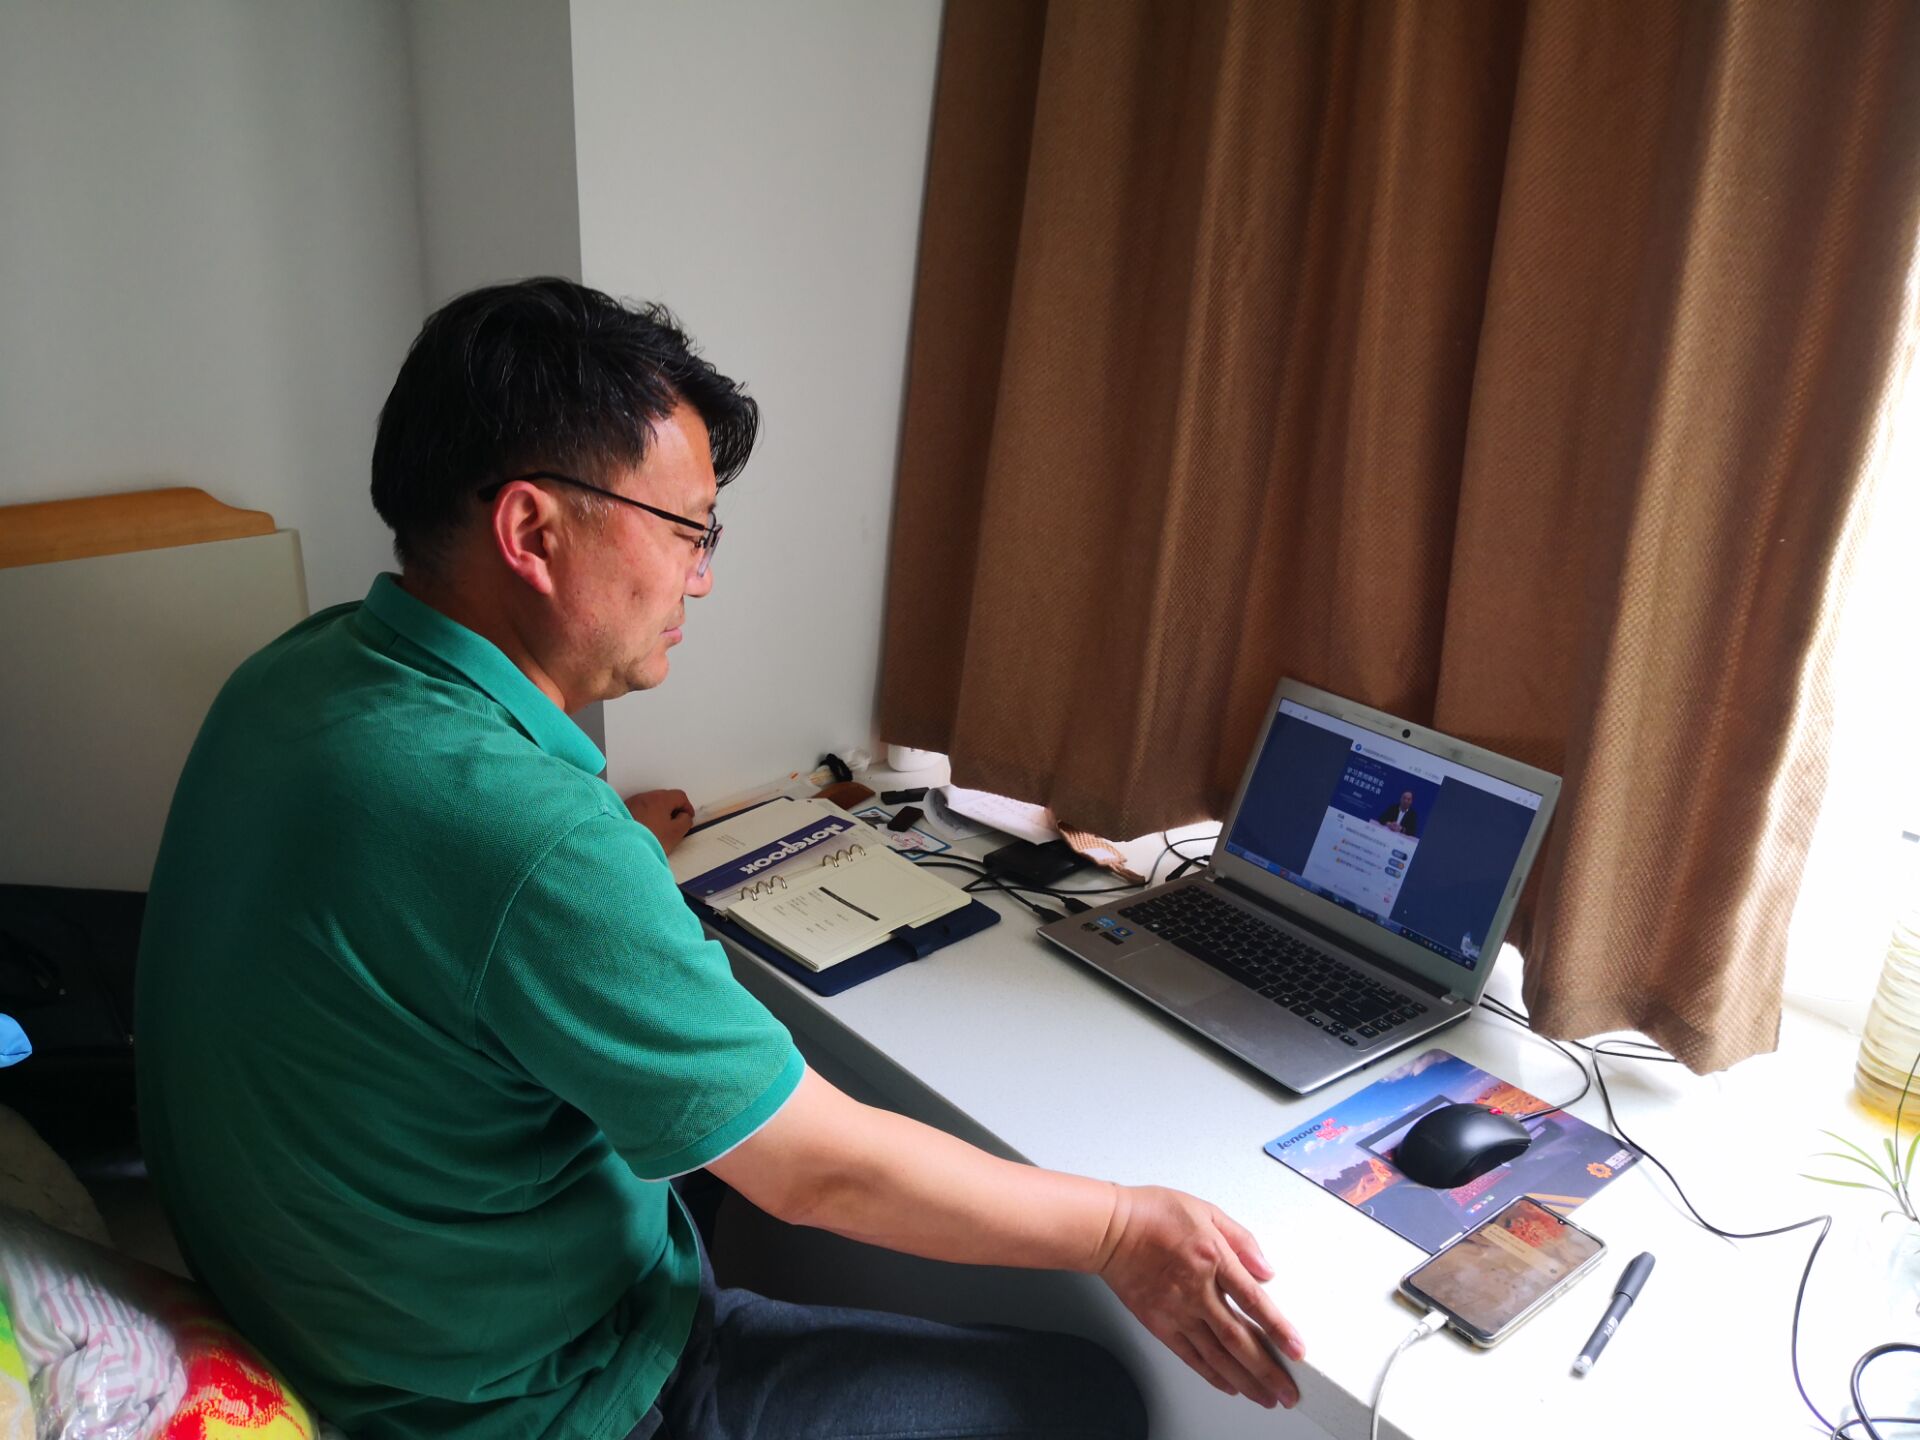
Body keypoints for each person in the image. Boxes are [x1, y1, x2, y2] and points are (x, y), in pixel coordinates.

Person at [135, 279, 1305, 1440]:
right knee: (1085, 1401)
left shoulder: (301, 673)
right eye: (686, 531)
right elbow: (816, 1174)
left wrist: (613, 855)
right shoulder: (531, 842)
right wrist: (1122, 1229)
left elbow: (436, 900)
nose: (700, 575)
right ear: (533, 532)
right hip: (532, 1403)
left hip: (352, 1310)